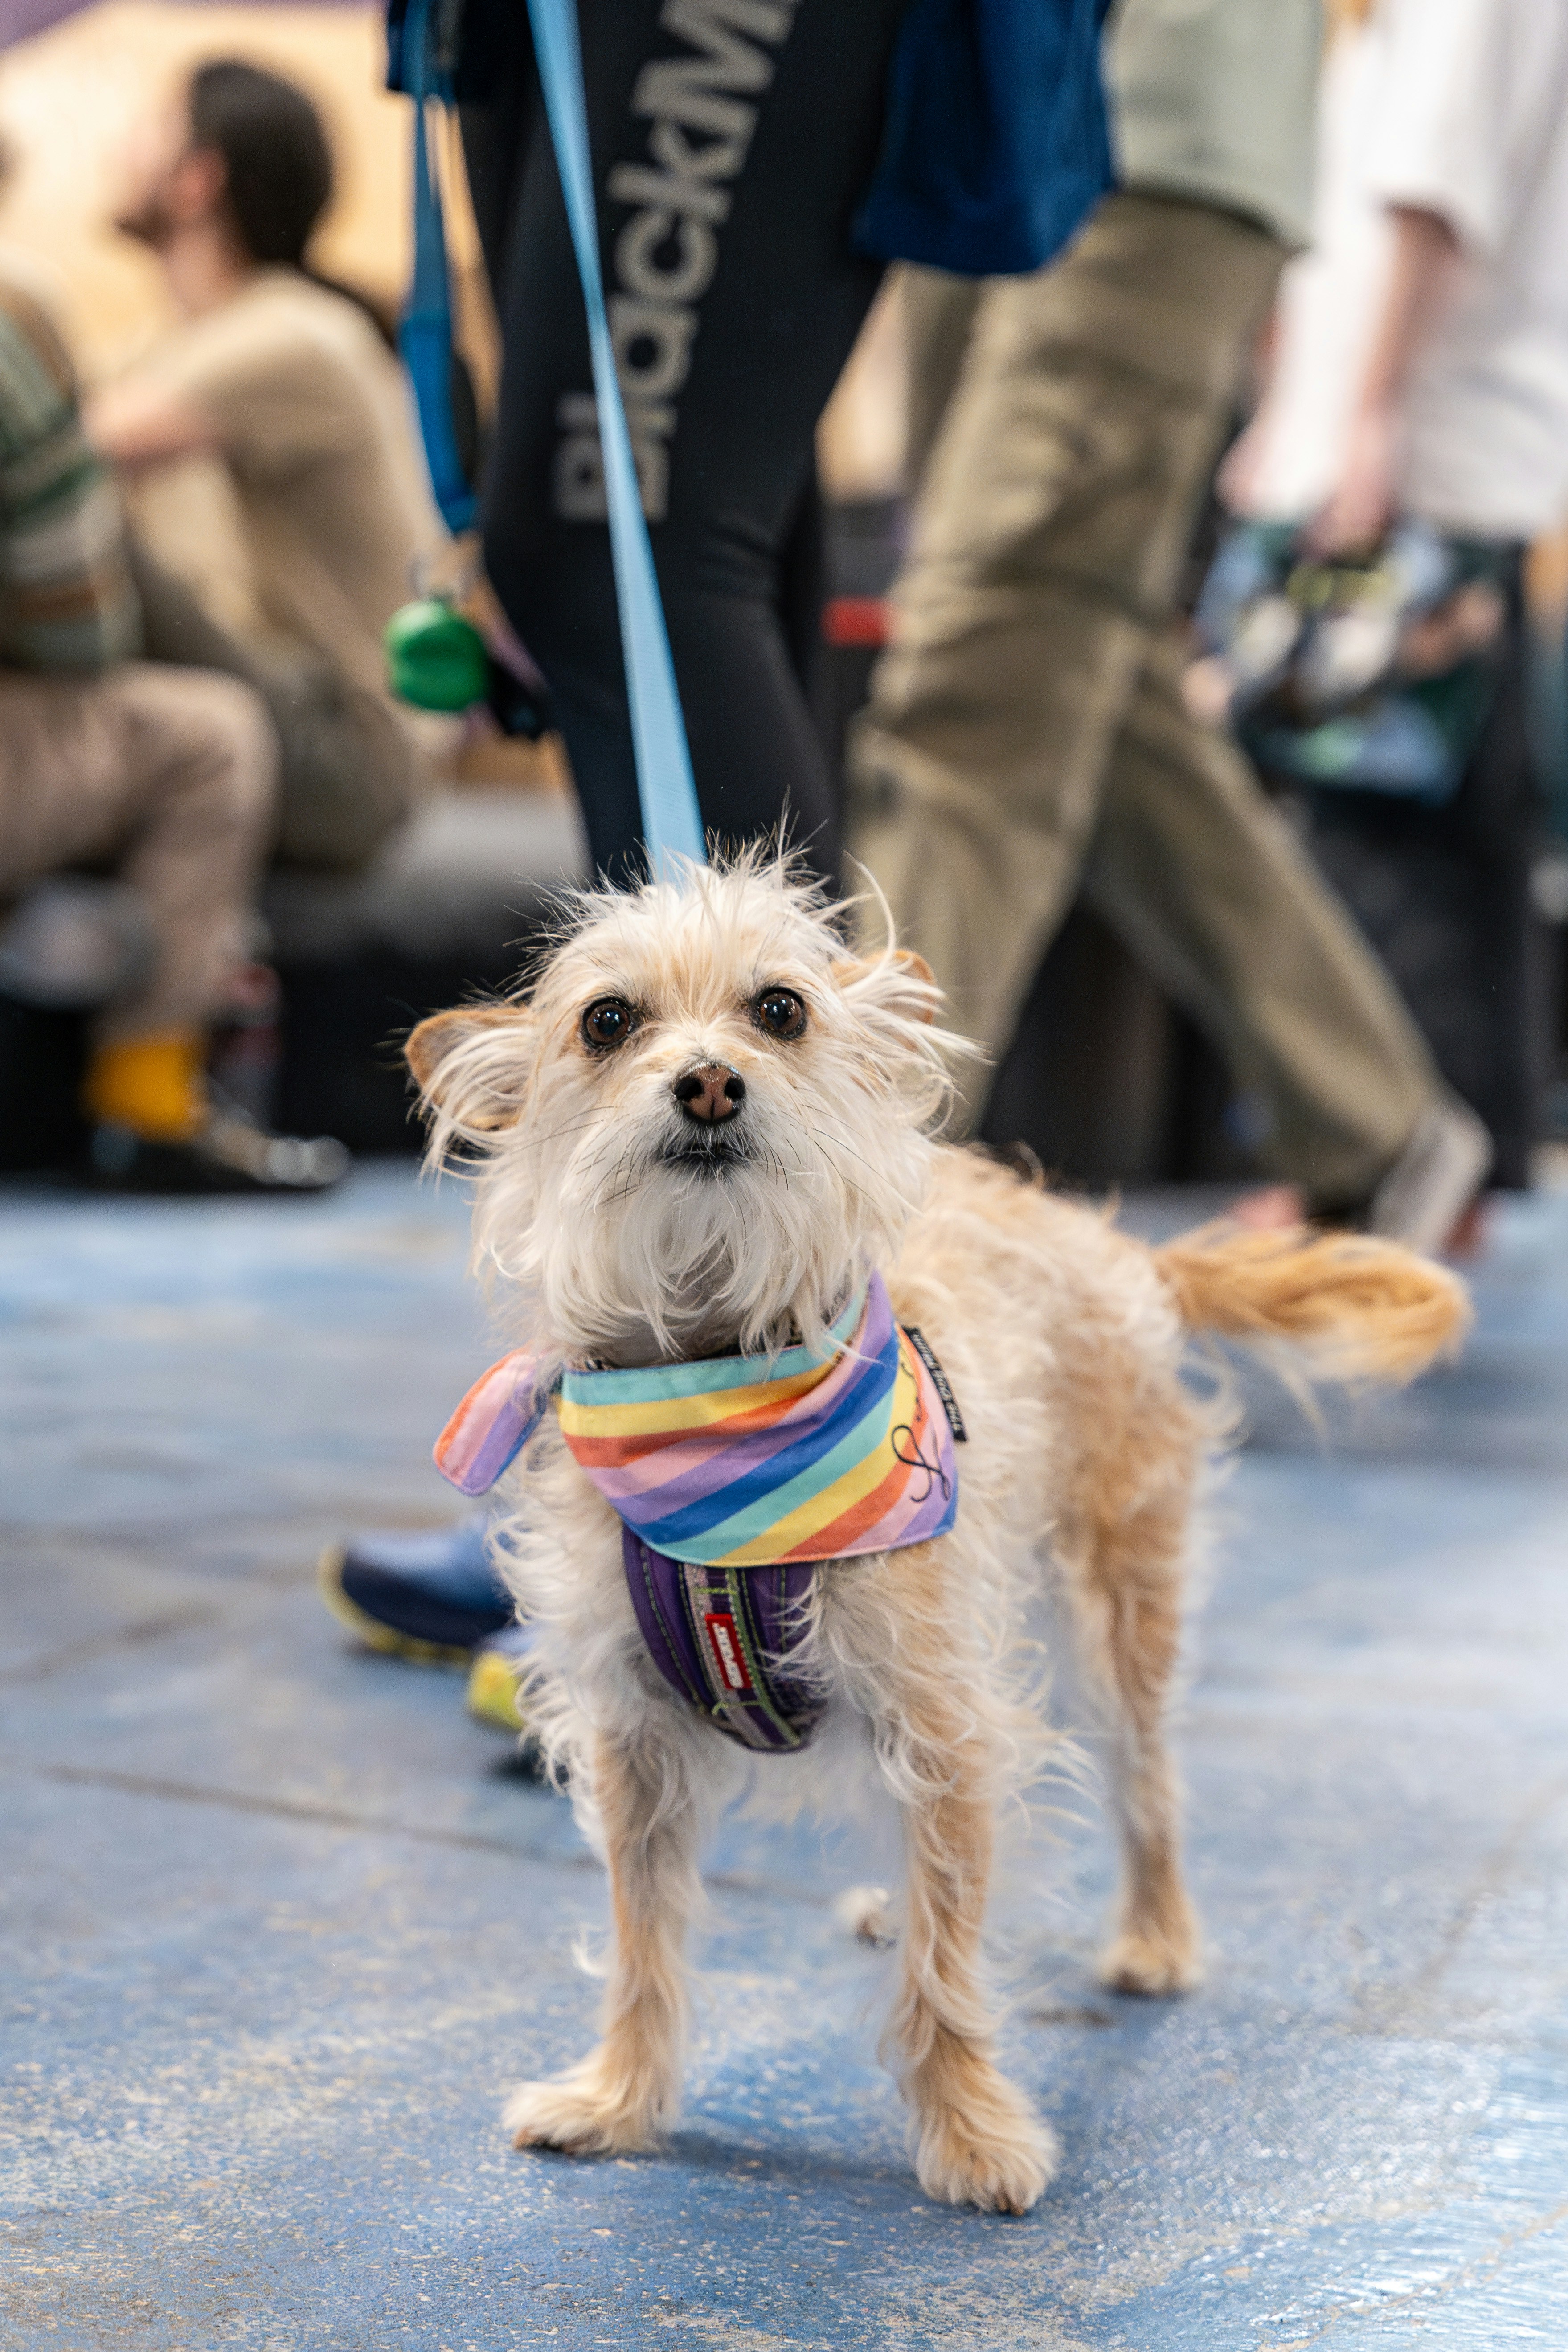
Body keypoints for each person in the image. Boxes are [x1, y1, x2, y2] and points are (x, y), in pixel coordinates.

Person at [846, 0, 1490, 1251]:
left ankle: (854, 1189)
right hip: (976, 100)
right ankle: (1378, 1124)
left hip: (1150, 121)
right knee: (1090, 673)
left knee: (987, 664)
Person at [1220, 0, 1568, 1190]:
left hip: (1425, 449)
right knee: (1457, 828)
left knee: (1382, 834)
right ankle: (1461, 1167)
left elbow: (1435, 187)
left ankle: (1384, 1166)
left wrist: (1357, 419)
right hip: (1439, 444)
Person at [0, 266, 346, 1190]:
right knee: (211, 734)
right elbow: (75, 624)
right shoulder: (17, 320)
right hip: (347, 746)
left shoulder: (274, 332)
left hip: (351, 742)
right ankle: (147, 1101)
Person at [88, 60, 453, 874]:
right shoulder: (181, 348)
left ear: (198, 179)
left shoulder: (290, 335)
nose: (119, 149)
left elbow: (61, 456)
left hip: (351, 758)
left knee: (77, 515)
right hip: (290, 716)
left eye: (149, 130)